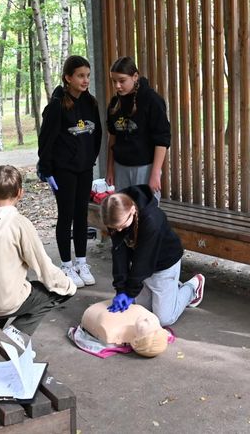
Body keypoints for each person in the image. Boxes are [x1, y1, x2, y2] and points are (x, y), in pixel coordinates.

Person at [0, 165, 77, 347]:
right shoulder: (19, 224)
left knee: (14, 284)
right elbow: (43, 267)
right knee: (53, 293)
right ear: (20, 193)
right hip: (3, 301)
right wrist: (68, 285)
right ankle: (16, 333)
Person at [37, 55, 102, 288]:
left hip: (84, 169)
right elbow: (46, 141)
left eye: (87, 76)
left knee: (81, 215)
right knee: (66, 216)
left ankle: (81, 262)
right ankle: (66, 265)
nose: (85, 80)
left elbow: (97, 135)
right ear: (68, 78)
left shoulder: (90, 103)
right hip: (63, 171)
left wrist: (90, 159)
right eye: (80, 76)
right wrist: (46, 170)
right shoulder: (57, 106)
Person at [100, 185, 205, 327]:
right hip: (143, 266)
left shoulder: (151, 220)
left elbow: (143, 261)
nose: (118, 230)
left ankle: (193, 287)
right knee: (145, 313)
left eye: (122, 226)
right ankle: (172, 289)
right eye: (115, 228)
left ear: (132, 210)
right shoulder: (114, 214)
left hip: (164, 263)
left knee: (163, 319)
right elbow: (119, 253)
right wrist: (121, 290)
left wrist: (130, 293)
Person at [105, 56, 170, 197]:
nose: (117, 86)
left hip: (145, 168)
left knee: (146, 214)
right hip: (120, 167)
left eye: (122, 81)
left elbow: (162, 141)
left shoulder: (152, 101)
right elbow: (112, 137)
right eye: (114, 81)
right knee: (124, 215)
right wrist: (110, 168)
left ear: (135, 77)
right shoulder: (114, 103)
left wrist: (155, 174)